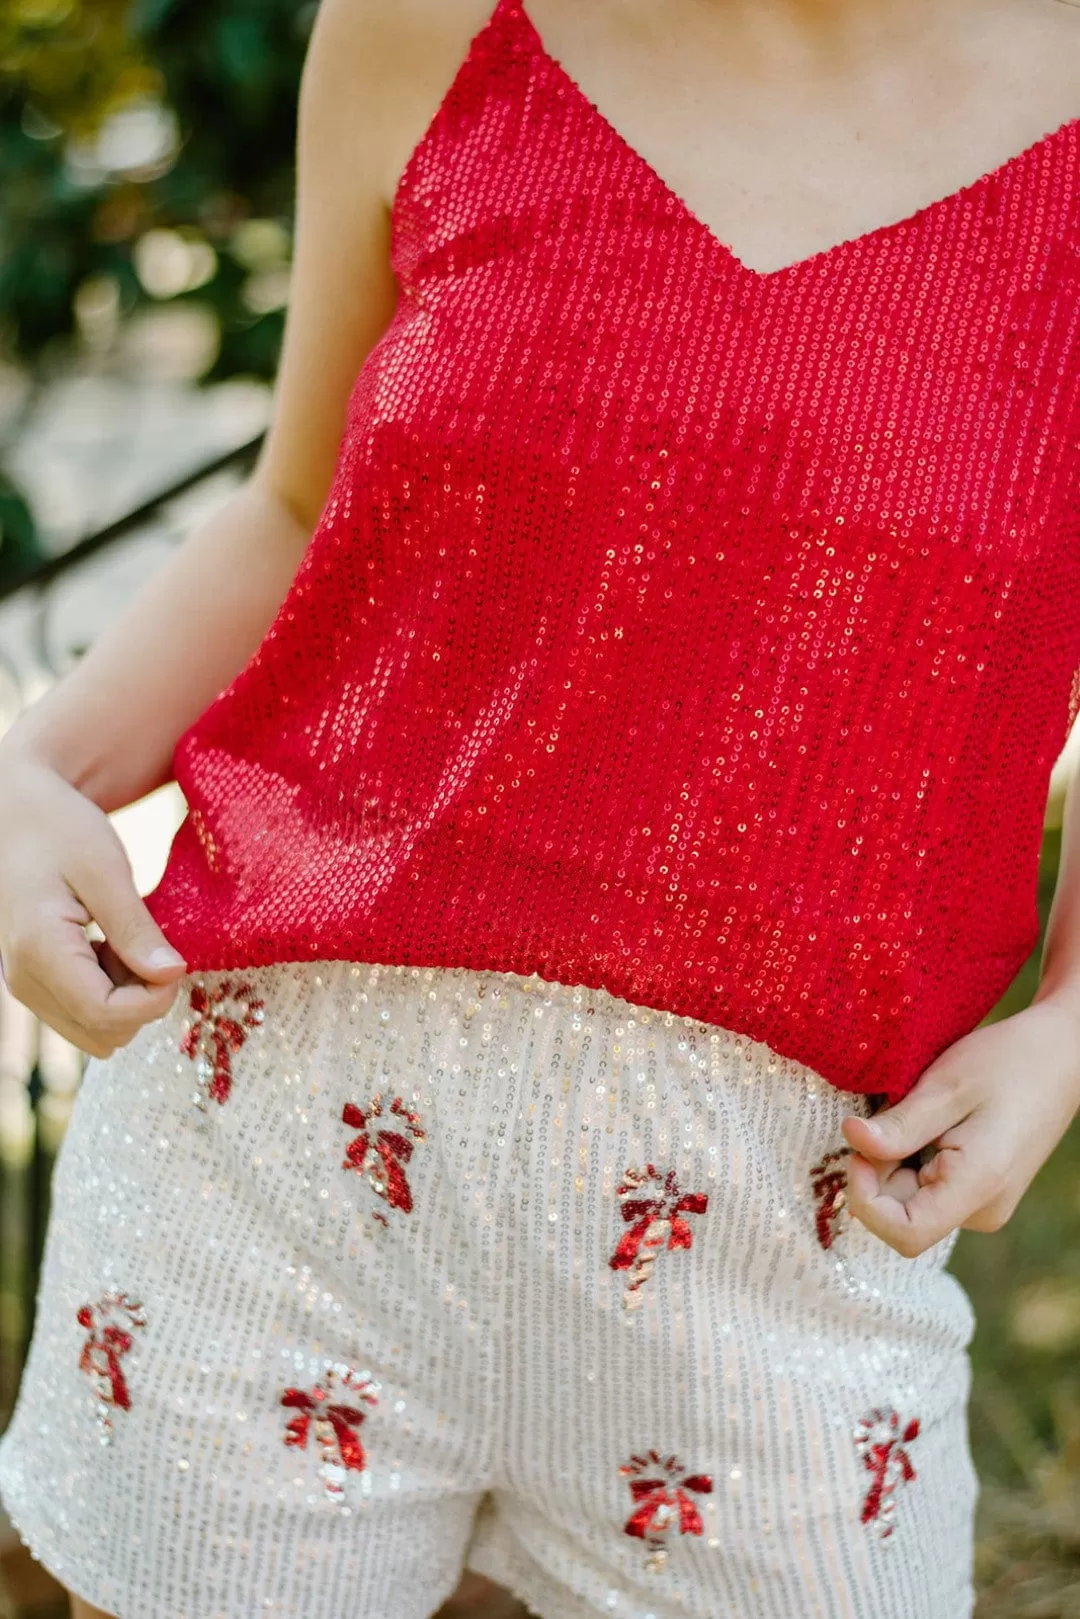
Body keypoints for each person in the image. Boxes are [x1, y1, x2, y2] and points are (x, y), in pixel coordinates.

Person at [2, 0, 1080, 1614]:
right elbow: (300, 505)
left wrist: (1073, 1019)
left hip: (792, 1227)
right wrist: (24, 779)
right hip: (269, 1158)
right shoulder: (425, 25)